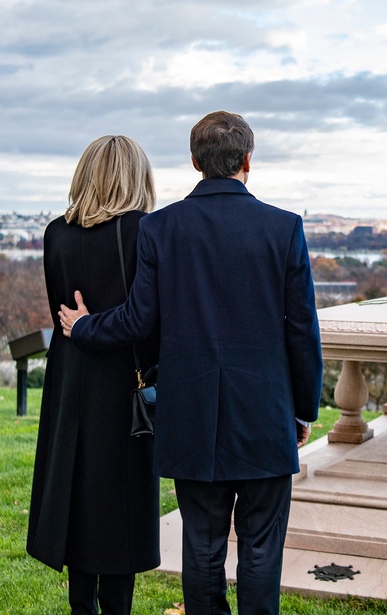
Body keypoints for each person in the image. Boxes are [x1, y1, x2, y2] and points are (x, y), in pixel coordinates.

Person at [59, 111, 323, 615]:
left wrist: (85, 326)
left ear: (195, 162)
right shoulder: (284, 228)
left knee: (201, 550)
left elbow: (139, 319)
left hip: (191, 414)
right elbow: (302, 331)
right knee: (262, 551)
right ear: (248, 161)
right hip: (266, 415)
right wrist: (303, 409)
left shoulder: (161, 228)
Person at [27, 135, 160, 615]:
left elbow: (62, 317)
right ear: (136, 177)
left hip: (69, 384)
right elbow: (149, 320)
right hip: (125, 387)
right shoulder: (146, 231)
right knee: (119, 510)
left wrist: (84, 327)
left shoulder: (55, 234)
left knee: (76, 501)